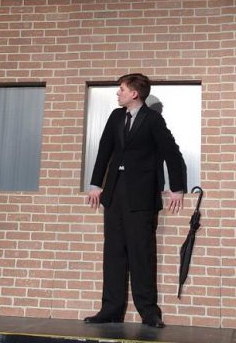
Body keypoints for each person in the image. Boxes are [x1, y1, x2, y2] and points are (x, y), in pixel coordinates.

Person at [84, 73, 186, 329]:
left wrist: (177, 188)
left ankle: (149, 312)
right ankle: (111, 309)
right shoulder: (116, 117)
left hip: (141, 196)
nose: (117, 93)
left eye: (121, 89)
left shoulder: (153, 120)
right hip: (115, 194)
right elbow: (104, 148)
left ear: (134, 94)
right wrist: (96, 184)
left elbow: (171, 152)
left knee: (141, 253)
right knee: (114, 252)